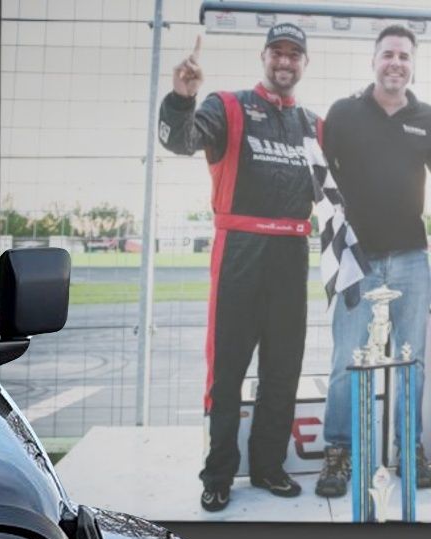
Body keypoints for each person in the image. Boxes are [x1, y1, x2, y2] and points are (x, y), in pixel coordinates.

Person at [159, 24, 319, 512]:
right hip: (240, 251)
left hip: (293, 254)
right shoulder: (227, 106)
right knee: (226, 371)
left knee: (282, 370)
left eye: (295, 54)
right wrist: (182, 98)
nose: (285, 61)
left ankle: (269, 467)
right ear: (264, 56)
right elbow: (180, 141)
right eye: (278, 52)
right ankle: (219, 474)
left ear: (304, 64)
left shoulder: (315, 124)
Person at [315, 24, 431, 498]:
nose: (396, 63)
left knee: (411, 360)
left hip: (410, 255)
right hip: (354, 260)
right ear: (374, 61)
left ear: (412, 63)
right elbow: (316, 177)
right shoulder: (343, 113)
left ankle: (410, 449)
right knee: (346, 360)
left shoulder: (426, 117)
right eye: (388, 55)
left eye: (404, 56)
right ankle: (338, 451)